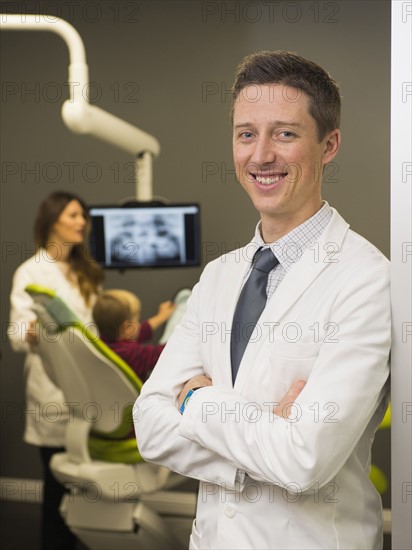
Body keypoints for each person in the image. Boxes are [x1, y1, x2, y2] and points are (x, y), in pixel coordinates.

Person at [133, 50, 391, 550]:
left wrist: (196, 400)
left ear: (329, 145)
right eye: (246, 133)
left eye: (286, 134)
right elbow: (150, 427)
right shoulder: (218, 276)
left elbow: (304, 460)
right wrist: (266, 431)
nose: (261, 155)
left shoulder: (367, 280)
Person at [8, 191, 104, 550]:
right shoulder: (31, 271)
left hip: (89, 386)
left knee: (84, 482)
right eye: (74, 215)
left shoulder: (86, 272)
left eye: (84, 216)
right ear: (52, 221)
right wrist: (39, 330)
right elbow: (16, 332)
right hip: (52, 388)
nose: (82, 223)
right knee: (57, 484)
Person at [92, 289, 175, 382]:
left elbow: (136, 333)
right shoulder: (132, 354)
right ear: (127, 328)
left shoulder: (101, 343)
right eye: (136, 321)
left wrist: (160, 317)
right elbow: (162, 353)